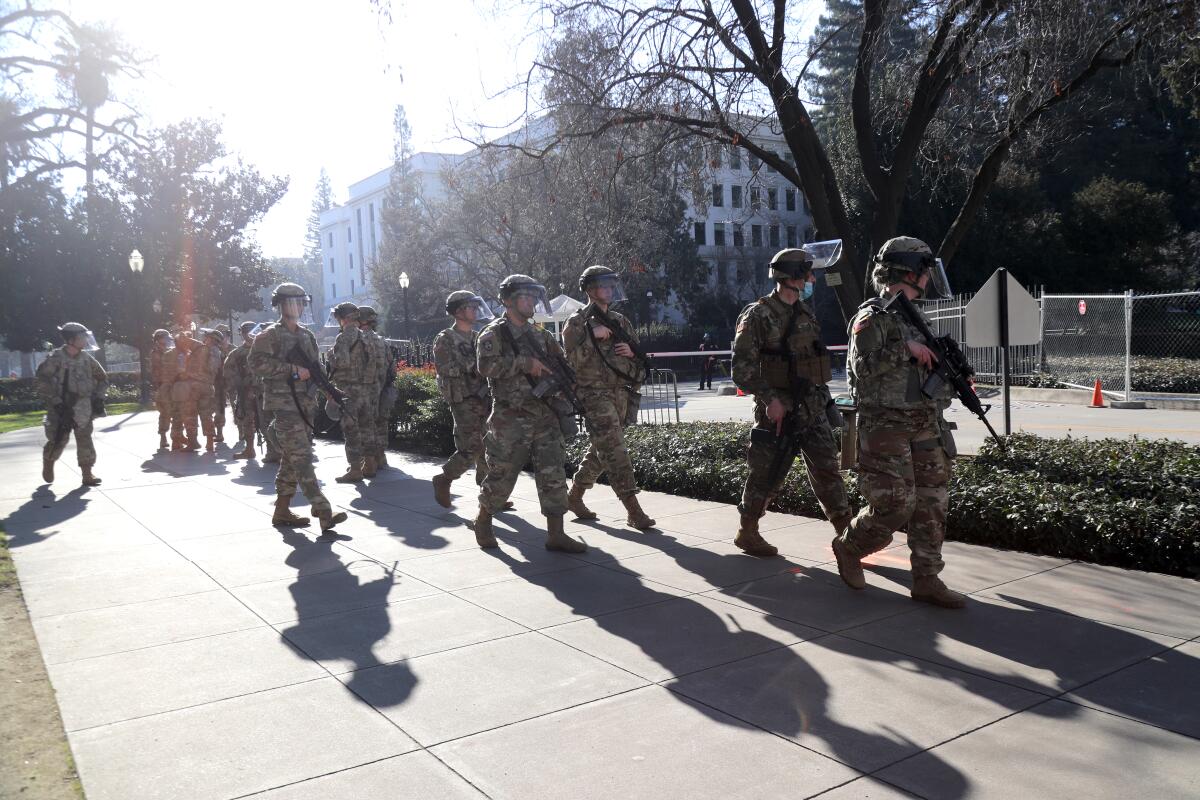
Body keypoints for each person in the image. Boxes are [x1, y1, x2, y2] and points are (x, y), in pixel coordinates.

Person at [831, 236, 966, 608]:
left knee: (932, 499)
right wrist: (904, 349)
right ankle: (849, 547)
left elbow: (921, 370)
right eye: (924, 270)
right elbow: (862, 368)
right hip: (885, 424)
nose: (928, 278)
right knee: (896, 504)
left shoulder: (913, 314)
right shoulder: (872, 316)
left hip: (924, 420)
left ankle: (926, 578)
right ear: (910, 271)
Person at [731, 247, 852, 557]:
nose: (812, 279)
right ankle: (748, 531)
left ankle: (848, 536)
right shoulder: (758, 315)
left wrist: (825, 403)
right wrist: (770, 399)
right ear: (791, 277)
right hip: (779, 411)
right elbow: (741, 370)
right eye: (807, 274)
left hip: (811, 408)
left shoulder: (805, 312)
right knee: (766, 474)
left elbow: (812, 360)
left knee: (828, 471)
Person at [473, 274, 587, 553]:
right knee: (502, 473)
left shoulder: (540, 334)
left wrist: (568, 384)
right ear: (509, 301)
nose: (533, 302)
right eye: (526, 297)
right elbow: (485, 367)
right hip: (510, 417)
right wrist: (524, 363)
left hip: (544, 414)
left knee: (553, 473)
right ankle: (484, 520)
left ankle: (556, 533)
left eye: (534, 297)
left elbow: (560, 364)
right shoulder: (493, 334)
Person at [248, 282, 348, 532]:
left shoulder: (306, 335)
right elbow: (255, 364)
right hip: (283, 406)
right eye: (293, 302)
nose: (299, 307)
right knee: (302, 458)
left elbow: (315, 370)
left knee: (292, 459)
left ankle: (282, 511)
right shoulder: (269, 335)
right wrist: (292, 370)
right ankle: (322, 509)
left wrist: (331, 393)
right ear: (281, 305)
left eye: (302, 302)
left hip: (304, 405)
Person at [563, 266, 655, 529]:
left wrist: (630, 352)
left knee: (603, 449)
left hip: (621, 394)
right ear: (591, 290)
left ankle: (575, 495)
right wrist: (594, 337)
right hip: (593, 395)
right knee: (615, 449)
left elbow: (640, 358)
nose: (610, 290)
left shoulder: (620, 321)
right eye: (605, 286)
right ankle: (633, 509)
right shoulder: (577, 323)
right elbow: (571, 361)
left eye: (612, 285)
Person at [432, 291, 496, 506]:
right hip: (463, 398)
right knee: (471, 448)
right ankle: (444, 479)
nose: (476, 310)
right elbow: (443, 367)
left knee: (489, 445)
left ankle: (489, 494)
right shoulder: (446, 338)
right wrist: (472, 366)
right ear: (459, 311)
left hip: (483, 397)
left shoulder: (477, 336)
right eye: (471, 307)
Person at [36, 322, 107, 486]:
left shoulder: (87, 359)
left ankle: (87, 474)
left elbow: (103, 378)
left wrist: (98, 397)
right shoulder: (55, 359)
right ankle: (49, 460)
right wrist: (55, 401)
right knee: (58, 439)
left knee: (85, 439)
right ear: (71, 339)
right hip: (61, 407)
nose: (85, 340)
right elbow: (42, 380)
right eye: (82, 337)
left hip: (83, 406)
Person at [327, 302, 375, 483]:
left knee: (351, 430)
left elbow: (342, 363)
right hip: (365, 389)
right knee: (367, 427)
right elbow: (373, 364)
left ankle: (355, 469)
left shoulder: (343, 338)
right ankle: (370, 464)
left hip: (349, 391)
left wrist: (332, 356)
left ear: (344, 318)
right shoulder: (367, 337)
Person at [355, 306, 391, 474]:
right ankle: (380, 456)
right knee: (380, 422)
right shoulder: (381, 340)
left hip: (366, 388)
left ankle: (368, 461)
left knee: (365, 425)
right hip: (381, 386)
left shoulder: (360, 339)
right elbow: (391, 367)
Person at [224, 321, 260, 459]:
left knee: (267, 421)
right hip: (246, 393)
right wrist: (240, 385)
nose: (249, 335)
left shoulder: (266, 350)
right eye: (246, 333)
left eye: (251, 332)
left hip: (265, 392)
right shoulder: (237, 353)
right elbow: (228, 372)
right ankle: (249, 449)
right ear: (242, 335)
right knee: (247, 421)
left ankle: (274, 452)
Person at [148, 328, 175, 451]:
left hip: (174, 385)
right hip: (162, 386)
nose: (167, 340)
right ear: (158, 339)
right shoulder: (156, 353)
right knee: (165, 412)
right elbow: (161, 367)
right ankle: (163, 436)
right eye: (164, 338)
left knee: (177, 411)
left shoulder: (170, 351)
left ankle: (177, 436)